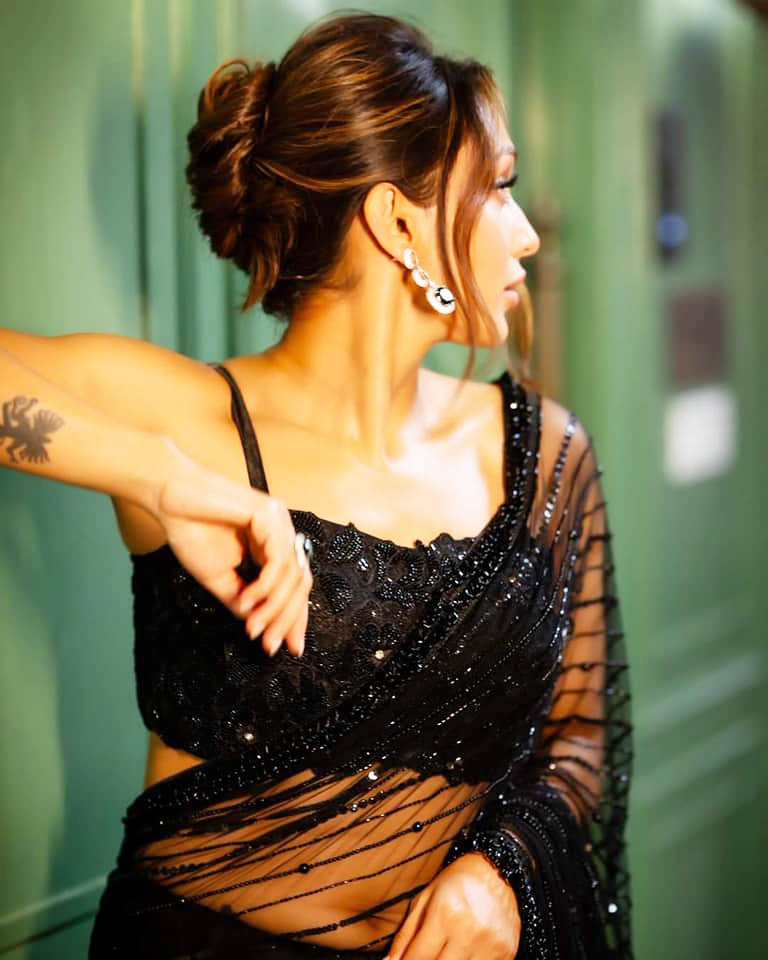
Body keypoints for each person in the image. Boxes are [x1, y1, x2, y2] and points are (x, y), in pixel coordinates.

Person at [0, 10, 634, 960]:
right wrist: (157, 475)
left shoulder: (545, 450)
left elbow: (582, 735)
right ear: (397, 223)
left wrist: (501, 869)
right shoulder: (191, 421)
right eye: (499, 189)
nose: (526, 235)